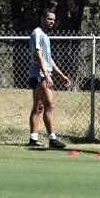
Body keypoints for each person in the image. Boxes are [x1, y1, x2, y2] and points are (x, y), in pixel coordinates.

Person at [26, 9, 72, 148]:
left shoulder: (45, 35)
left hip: (43, 73)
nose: (51, 22)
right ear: (42, 19)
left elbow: (48, 59)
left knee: (38, 107)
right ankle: (52, 139)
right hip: (39, 74)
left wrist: (61, 75)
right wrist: (46, 75)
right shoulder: (37, 33)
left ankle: (33, 139)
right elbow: (38, 56)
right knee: (49, 105)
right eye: (49, 19)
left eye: (53, 19)